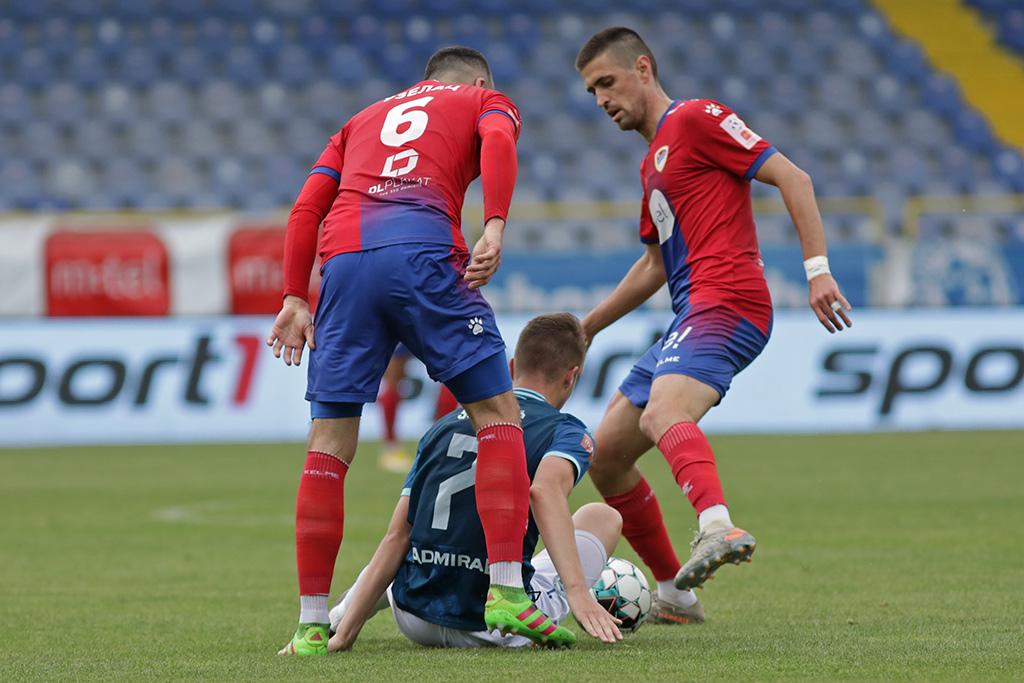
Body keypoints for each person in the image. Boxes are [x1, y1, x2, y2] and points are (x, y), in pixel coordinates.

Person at [267, 46, 560, 654]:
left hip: (345, 265)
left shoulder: (358, 120)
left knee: (328, 446)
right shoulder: (485, 99)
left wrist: (296, 296)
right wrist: (497, 223)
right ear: (477, 80)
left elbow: (305, 209)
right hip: (422, 250)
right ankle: (506, 591)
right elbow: (500, 142)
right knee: (499, 416)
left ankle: (311, 624)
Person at [573, 28, 853, 621]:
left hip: (729, 300)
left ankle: (717, 525)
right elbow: (654, 264)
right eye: (592, 91)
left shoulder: (698, 117)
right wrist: (590, 324)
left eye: (607, 82)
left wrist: (818, 271)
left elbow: (793, 178)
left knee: (662, 413)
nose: (600, 99)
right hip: (689, 314)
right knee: (606, 457)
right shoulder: (652, 164)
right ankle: (675, 594)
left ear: (642, 68)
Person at [327, 314, 626, 650]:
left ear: (511, 368)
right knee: (603, 516)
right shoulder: (566, 430)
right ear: (572, 377)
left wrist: (345, 636)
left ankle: (339, 616)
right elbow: (544, 491)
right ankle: (532, 596)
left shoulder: (442, 427)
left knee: (408, 541)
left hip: (413, 616)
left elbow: (397, 536)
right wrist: (578, 593)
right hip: (494, 628)